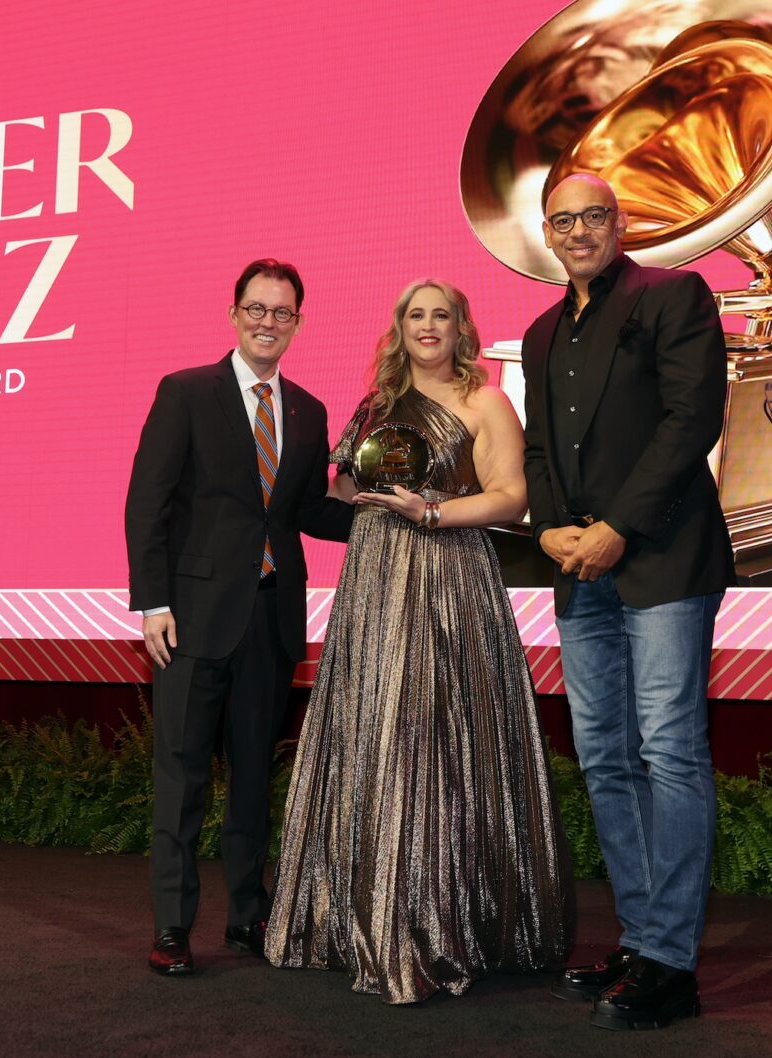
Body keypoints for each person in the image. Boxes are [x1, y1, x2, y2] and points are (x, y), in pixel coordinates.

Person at [265, 278, 574, 1004]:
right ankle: (356, 920)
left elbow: (511, 495)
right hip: (374, 578)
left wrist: (432, 512)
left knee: (434, 735)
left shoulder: (487, 400)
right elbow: (344, 491)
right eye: (415, 315)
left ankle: (439, 924)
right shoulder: (375, 405)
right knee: (373, 731)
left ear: (462, 327)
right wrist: (340, 486)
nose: (428, 326)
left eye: (441, 315)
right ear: (398, 327)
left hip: (447, 576)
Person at [520, 172, 735, 1030]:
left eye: (593, 217)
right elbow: (538, 448)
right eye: (563, 221)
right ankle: (644, 937)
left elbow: (694, 419)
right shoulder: (540, 331)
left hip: (662, 559)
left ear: (620, 222)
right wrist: (549, 532)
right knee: (605, 755)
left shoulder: (672, 293)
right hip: (580, 567)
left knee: (670, 750)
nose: (578, 232)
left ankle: (673, 963)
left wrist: (616, 526)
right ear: (549, 232)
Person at [124, 258, 353, 977]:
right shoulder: (186, 392)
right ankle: (171, 927)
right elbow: (147, 504)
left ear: (298, 324)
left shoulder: (310, 411)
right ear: (234, 314)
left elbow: (305, 512)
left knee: (253, 777)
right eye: (256, 309)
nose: (267, 322)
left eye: (281, 313)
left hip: (270, 618)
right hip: (189, 620)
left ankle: (248, 918)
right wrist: (152, 602)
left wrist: (378, 508)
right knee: (182, 776)